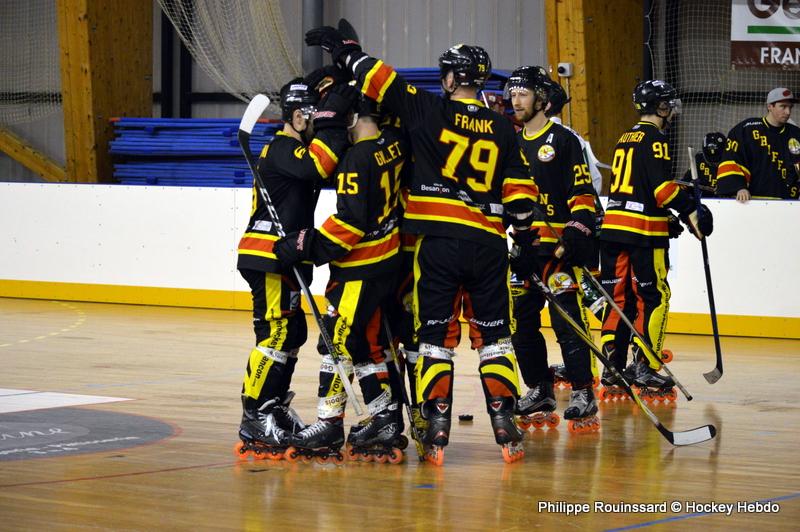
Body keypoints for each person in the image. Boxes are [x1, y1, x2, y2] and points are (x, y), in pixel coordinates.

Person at [305, 24, 539, 464]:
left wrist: (347, 52)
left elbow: (381, 79)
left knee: (434, 340)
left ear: (451, 79)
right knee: (495, 340)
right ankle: (506, 421)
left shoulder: (429, 110)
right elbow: (521, 195)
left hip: (438, 245)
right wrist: (524, 241)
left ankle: (436, 424)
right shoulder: (504, 128)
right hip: (489, 245)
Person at [274, 92, 409, 463]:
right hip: (388, 262)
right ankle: (384, 417)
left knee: (336, 343)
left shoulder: (356, 159)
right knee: (366, 345)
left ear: (352, 119)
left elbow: (350, 221)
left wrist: (306, 245)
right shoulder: (392, 144)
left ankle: (328, 423)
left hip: (360, 269)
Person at [234, 77, 357, 459]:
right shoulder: (282, 148)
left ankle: (274, 406)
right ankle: (254, 415)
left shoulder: (290, 148)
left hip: (285, 255)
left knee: (292, 332)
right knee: (275, 332)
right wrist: (334, 120)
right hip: (267, 254)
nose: (312, 121)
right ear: (295, 115)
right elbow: (318, 166)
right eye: (309, 114)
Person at [599, 80, 713, 396]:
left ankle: (613, 368)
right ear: (661, 107)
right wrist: (691, 213)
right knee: (655, 297)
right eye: (669, 104)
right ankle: (646, 367)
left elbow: (637, 187)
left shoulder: (625, 137)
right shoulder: (657, 138)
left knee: (618, 298)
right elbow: (661, 189)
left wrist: (664, 217)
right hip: (642, 235)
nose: (672, 110)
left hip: (613, 230)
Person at [505, 66, 600, 433]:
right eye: (513, 94)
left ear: (541, 99)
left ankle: (582, 390)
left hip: (557, 252)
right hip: (525, 250)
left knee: (566, 321)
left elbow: (582, 194)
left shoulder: (563, 140)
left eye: (523, 94)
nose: (515, 100)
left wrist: (578, 232)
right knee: (521, 322)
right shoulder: (510, 142)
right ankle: (540, 389)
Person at [717, 87, 800, 202]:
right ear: (769, 106)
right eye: (783, 106)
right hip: (753, 203)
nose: (788, 112)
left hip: (789, 203)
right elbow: (732, 160)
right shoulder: (746, 130)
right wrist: (739, 187)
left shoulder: (796, 134)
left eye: (790, 107)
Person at [682, 132, 726, 196]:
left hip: (724, 199)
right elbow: (686, 180)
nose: (714, 163)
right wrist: (683, 186)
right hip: (702, 198)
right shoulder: (699, 158)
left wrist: (725, 188)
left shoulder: (730, 160)